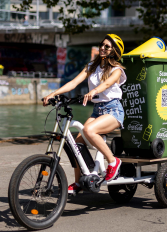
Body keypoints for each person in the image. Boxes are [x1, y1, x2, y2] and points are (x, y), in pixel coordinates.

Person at [43, 34, 126, 194]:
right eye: (102, 44)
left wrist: (93, 91)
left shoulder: (117, 70)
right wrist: (53, 94)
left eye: (107, 46)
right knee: (76, 144)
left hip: (113, 110)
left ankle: (113, 161)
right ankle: (80, 182)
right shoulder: (92, 67)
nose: (102, 47)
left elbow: (108, 83)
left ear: (114, 51)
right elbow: (73, 82)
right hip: (97, 111)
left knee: (88, 130)